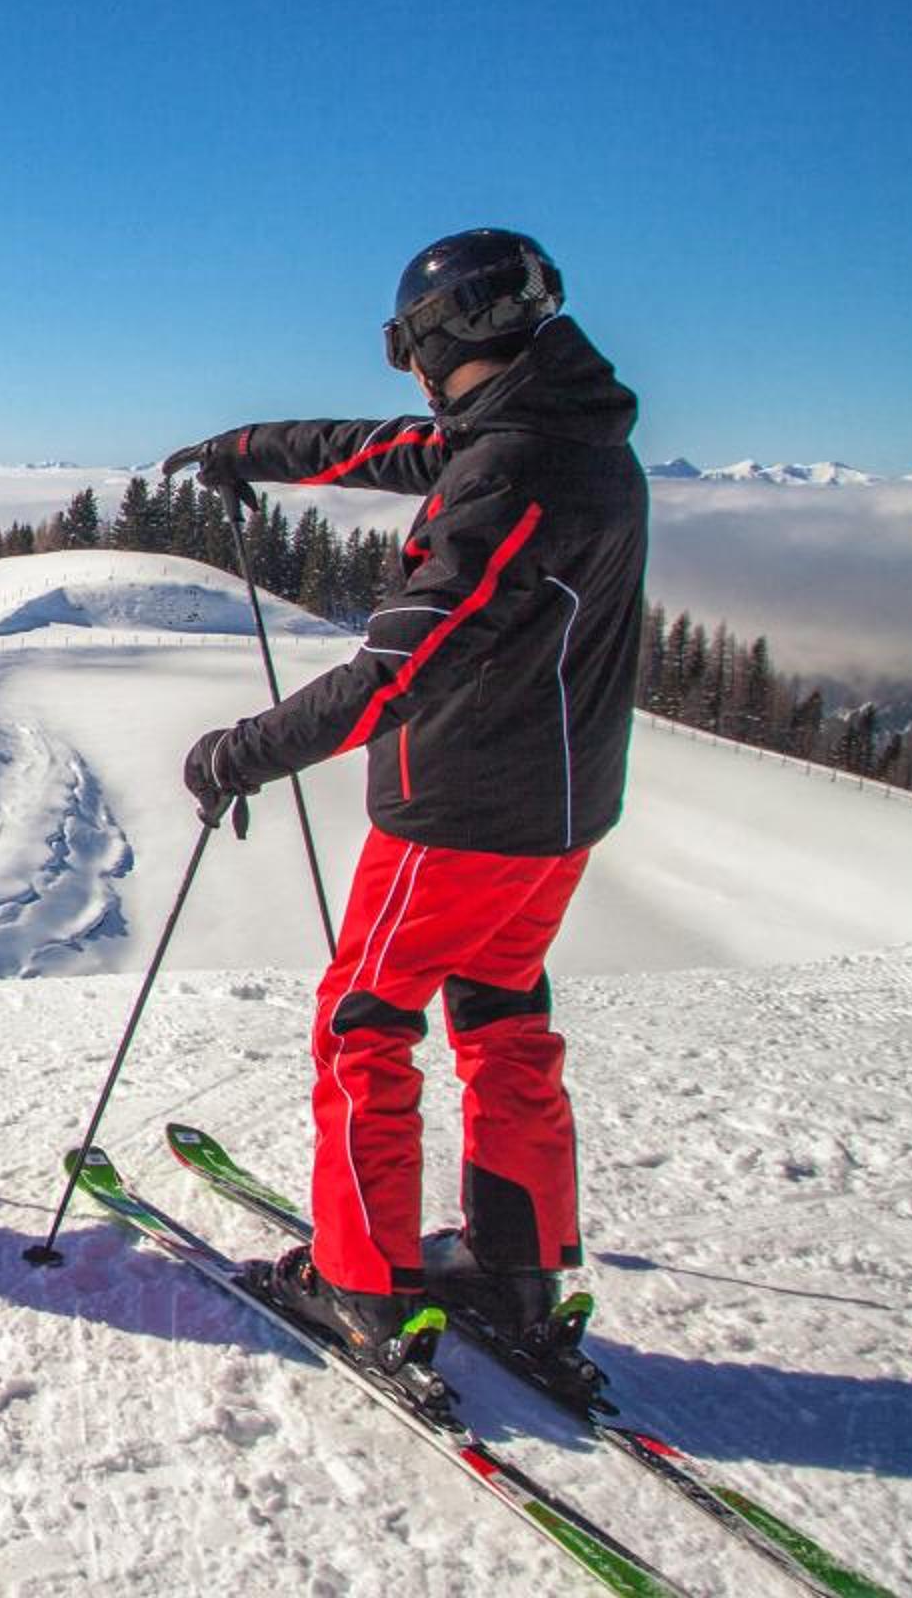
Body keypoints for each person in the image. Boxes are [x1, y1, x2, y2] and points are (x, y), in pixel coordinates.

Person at [163, 229, 646, 1365]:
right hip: (558, 817)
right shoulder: (569, 435)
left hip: (457, 815)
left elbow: (397, 671)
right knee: (503, 1017)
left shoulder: (512, 475)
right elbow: (397, 449)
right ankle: (516, 1265)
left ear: (429, 338)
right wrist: (251, 448)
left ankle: (363, 1282)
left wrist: (242, 752)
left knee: (363, 1027)